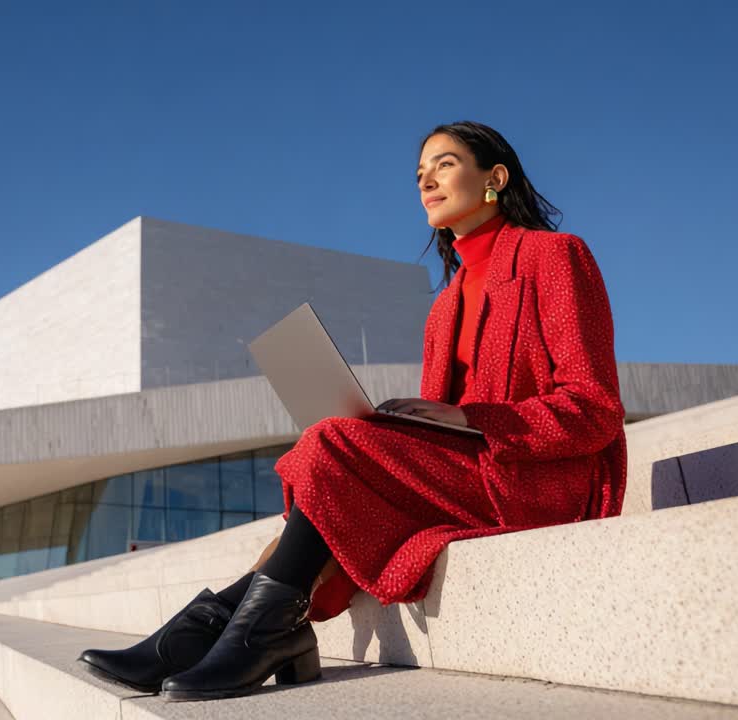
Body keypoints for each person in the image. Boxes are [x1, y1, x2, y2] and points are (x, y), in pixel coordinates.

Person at [78, 121, 628, 702]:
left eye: (443, 164)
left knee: (332, 444)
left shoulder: (555, 257)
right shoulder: (444, 308)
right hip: (466, 476)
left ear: (494, 178)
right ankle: (250, 629)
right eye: (419, 174)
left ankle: (227, 631)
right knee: (333, 445)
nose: (426, 182)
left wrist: (470, 419)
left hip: (539, 478)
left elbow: (594, 409)